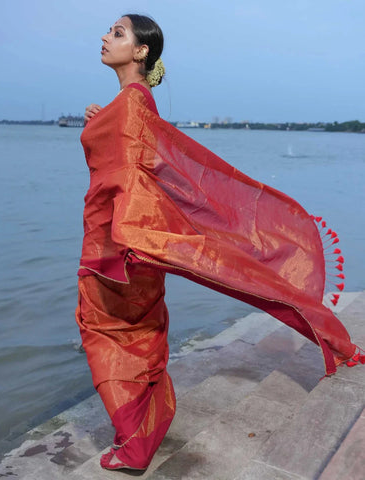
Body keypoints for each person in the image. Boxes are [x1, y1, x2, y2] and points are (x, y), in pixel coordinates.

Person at [76, 13, 363, 472]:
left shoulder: (132, 103)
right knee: (139, 330)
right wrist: (100, 118)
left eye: (117, 33)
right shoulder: (132, 102)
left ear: (141, 51)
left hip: (122, 240)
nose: (105, 38)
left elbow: (133, 172)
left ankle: (136, 441)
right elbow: (139, 161)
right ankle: (138, 434)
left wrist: (133, 233)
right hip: (123, 234)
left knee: (111, 332)